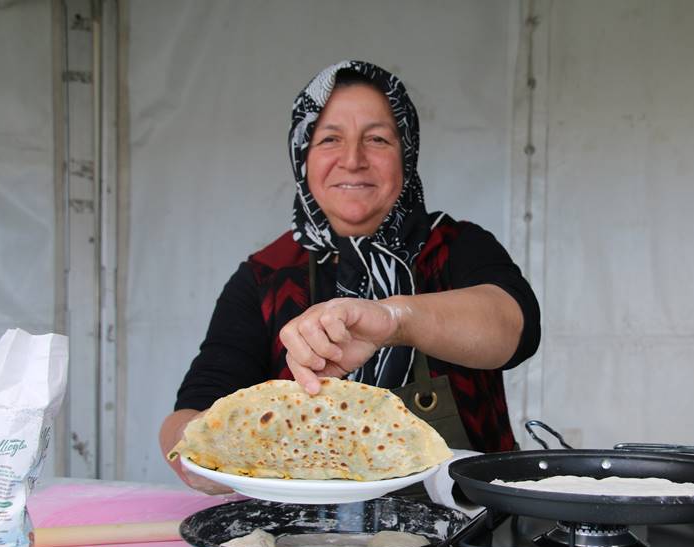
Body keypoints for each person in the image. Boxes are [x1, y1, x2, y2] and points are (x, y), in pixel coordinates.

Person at [159, 61, 540, 493]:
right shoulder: (266, 276)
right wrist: (205, 457)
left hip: (460, 528)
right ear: (302, 154)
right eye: (330, 139)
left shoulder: (456, 247)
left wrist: (394, 318)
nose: (353, 160)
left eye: (377, 139)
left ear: (406, 152)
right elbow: (193, 409)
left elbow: (515, 328)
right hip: (306, 541)